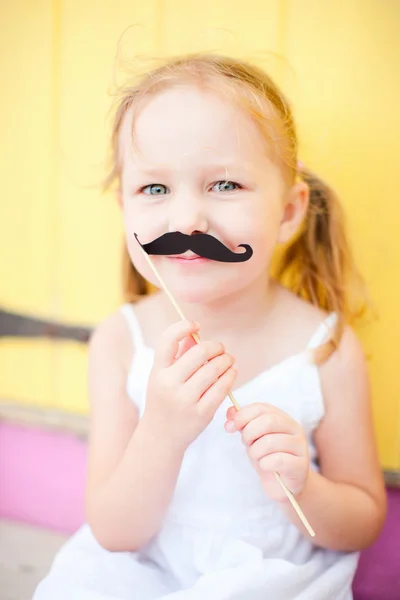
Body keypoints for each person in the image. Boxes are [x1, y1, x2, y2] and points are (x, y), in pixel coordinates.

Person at [33, 54, 387, 600]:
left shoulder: (325, 349)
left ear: (289, 212)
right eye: (154, 190)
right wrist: (162, 432)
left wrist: (305, 487)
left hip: (272, 580)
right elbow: (114, 531)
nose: (186, 221)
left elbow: (361, 524)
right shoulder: (121, 343)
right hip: (140, 576)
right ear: (124, 206)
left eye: (224, 185)